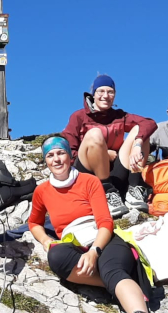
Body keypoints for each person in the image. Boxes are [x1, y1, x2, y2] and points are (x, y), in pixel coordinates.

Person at [28, 136, 168, 313]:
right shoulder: (42, 191)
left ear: (70, 156)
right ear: (45, 160)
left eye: (61, 153)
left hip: (104, 239)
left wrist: (94, 251)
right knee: (56, 256)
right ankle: (124, 286)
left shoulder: (89, 181)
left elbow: (105, 222)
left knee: (111, 268)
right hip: (73, 243)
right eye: (50, 155)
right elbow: (34, 222)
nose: (56, 159)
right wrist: (46, 240)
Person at [61, 74, 157, 216]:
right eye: (101, 91)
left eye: (110, 92)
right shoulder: (79, 117)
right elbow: (70, 151)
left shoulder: (119, 116)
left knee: (140, 131)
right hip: (89, 175)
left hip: (116, 173)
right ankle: (106, 192)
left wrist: (137, 145)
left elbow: (149, 123)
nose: (105, 96)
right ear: (93, 94)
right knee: (95, 133)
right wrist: (103, 154)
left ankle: (134, 188)